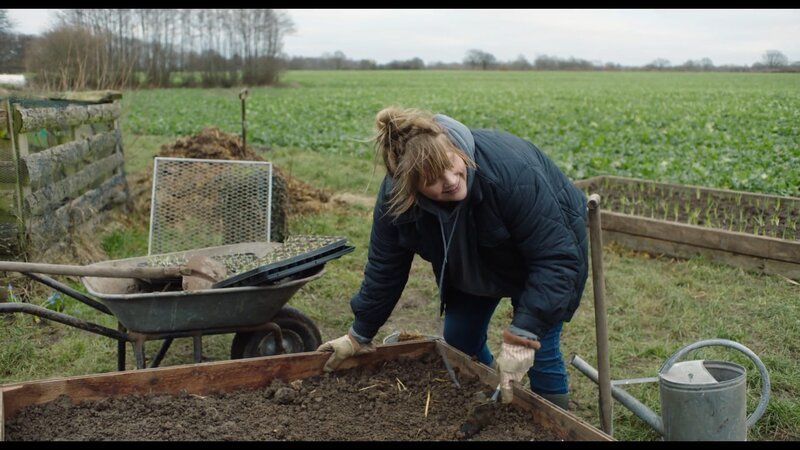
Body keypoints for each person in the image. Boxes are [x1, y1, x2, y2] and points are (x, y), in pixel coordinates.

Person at [317, 107, 589, 409]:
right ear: (410, 186)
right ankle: (495, 390)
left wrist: (521, 338)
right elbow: (385, 269)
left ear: (456, 149)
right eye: (432, 179)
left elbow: (555, 258)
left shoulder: (510, 174)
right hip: (472, 252)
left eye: (450, 164)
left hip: (543, 250)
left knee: (540, 351)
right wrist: (359, 334)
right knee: (460, 337)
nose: (449, 180)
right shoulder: (397, 201)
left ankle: (561, 427)